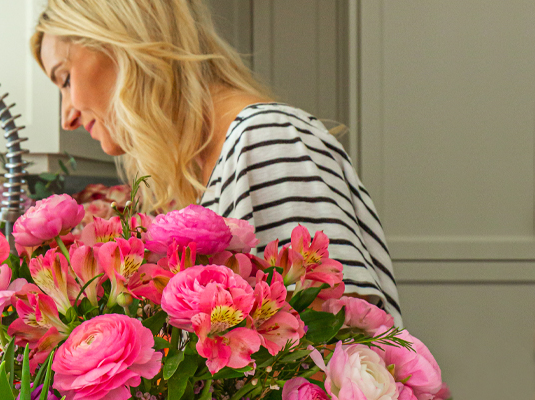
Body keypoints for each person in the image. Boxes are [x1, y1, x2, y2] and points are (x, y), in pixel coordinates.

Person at [30, 0, 401, 325]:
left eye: (64, 78)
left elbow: (339, 350)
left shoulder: (268, 139)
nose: (67, 118)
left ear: (121, 40)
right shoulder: (204, 173)